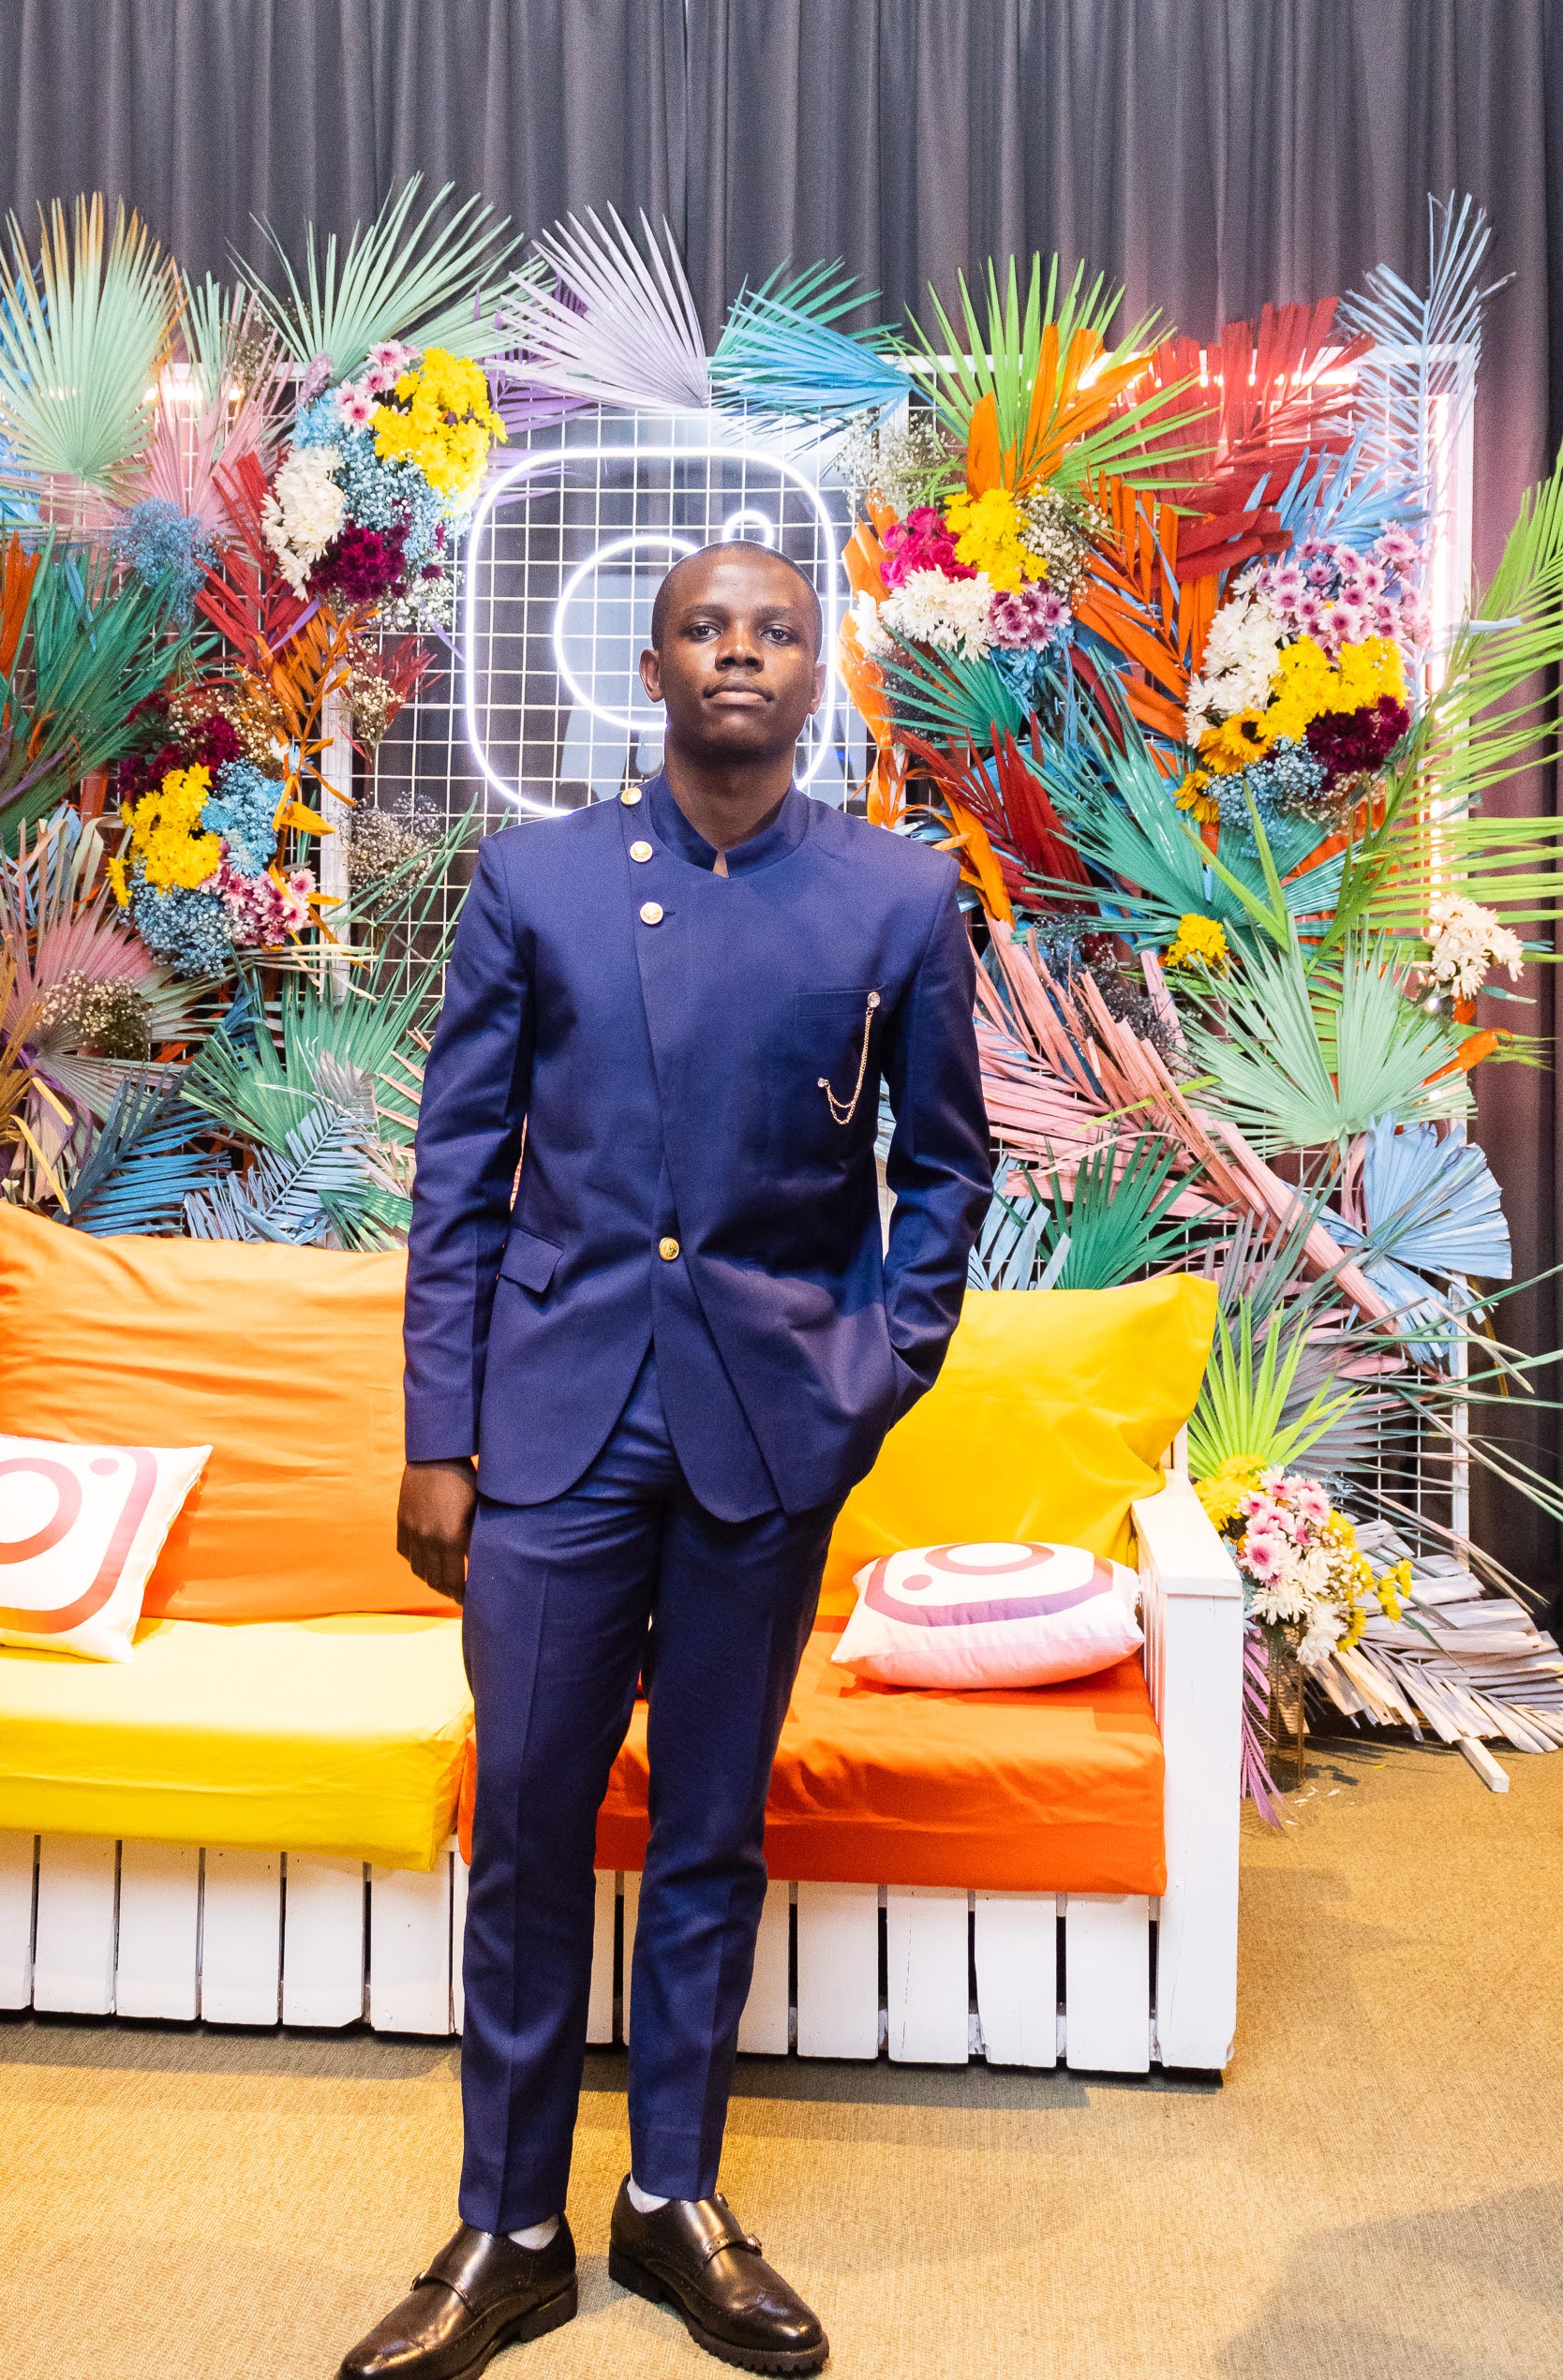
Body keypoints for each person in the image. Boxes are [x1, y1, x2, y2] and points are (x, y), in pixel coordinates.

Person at [343, 541, 990, 2380]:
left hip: (767, 1434)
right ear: (651, 666)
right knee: (527, 1830)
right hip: (553, 1431)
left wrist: (872, 1373)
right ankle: (509, 2231)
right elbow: (457, 1176)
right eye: (704, 627)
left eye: (774, 630)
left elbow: (947, 1167)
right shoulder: (536, 879)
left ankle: (673, 2200)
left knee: (709, 1831)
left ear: (817, 671)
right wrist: (441, 1436)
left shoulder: (895, 892)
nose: (738, 653)